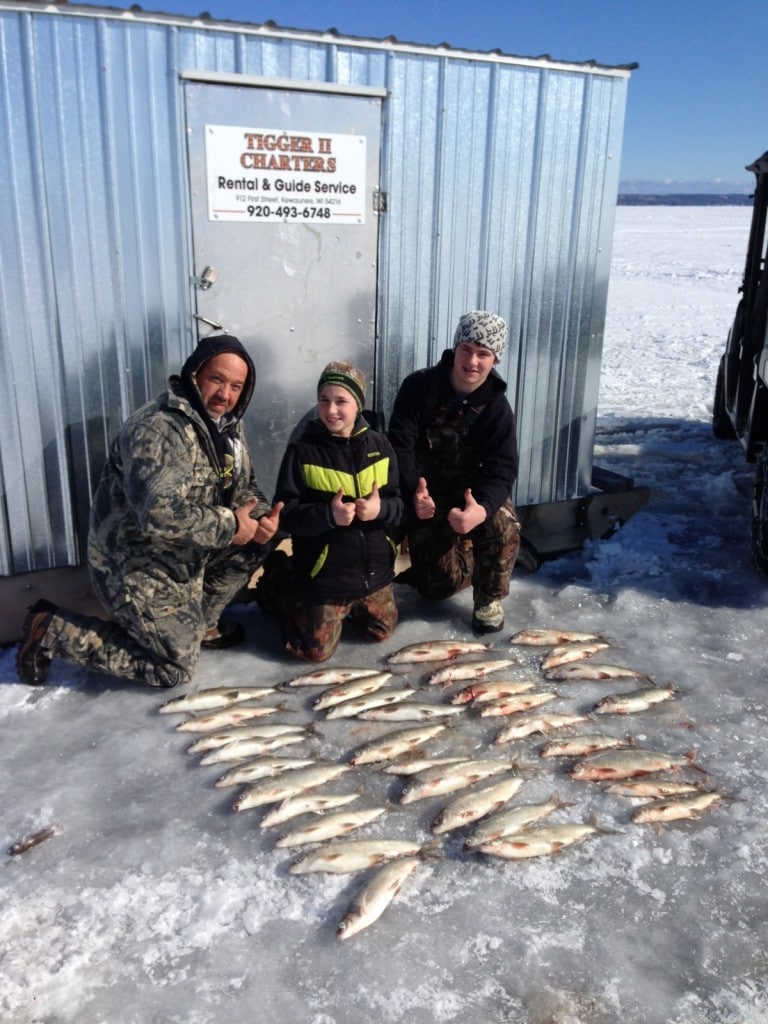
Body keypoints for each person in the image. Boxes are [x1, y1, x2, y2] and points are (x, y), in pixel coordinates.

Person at [16, 334, 282, 689]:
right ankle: (53, 630)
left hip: (186, 549)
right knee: (173, 669)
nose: (225, 394)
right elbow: (156, 514)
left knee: (256, 543)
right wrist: (232, 524)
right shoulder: (160, 428)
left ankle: (195, 626)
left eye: (236, 386)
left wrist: (260, 518)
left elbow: (244, 486)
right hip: (136, 561)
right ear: (194, 375)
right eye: (217, 380)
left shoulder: (228, 427)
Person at [258, 360, 403, 662]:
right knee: (313, 651)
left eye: (341, 401)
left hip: (371, 575)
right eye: (324, 400)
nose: (331, 409)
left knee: (381, 632)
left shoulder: (380, 444)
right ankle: (281, 583)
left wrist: (380, 509)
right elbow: (287, 514)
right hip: (325, 576)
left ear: (358, 404)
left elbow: (399, 505)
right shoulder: (303, 449)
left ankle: (354, 605)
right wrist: (328, 516)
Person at [388, 310, 521, 633]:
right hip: (427, 497)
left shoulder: (497, 408)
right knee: (436, 589)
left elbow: (502, 469)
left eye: (483, 353)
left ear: (495, 360)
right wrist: (413, 491)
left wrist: (481, 509)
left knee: (503, 520)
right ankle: (466, 560)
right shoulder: (419, 387)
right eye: (467, 349)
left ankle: (489, 595)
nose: (472, 361)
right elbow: (399, 445)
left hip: (469, 498)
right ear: (455, 347)